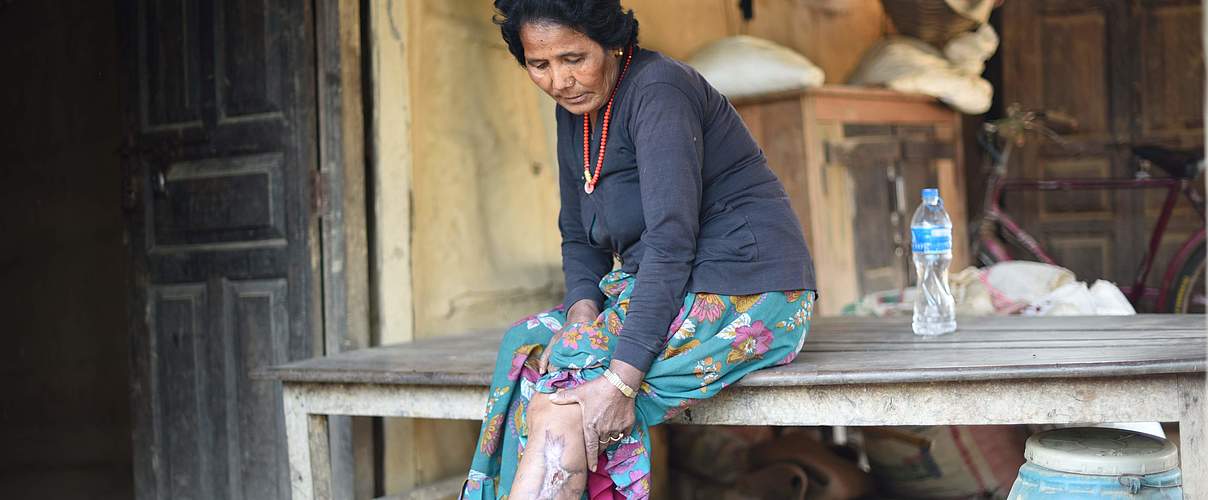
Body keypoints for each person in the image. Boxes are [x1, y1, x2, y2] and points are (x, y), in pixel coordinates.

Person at [462, 1, 817, 498]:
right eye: (539, 65)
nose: (559, 81)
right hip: (668, 281)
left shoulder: (659, 91)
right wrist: (582, 310)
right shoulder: (577, 111)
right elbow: (577, 234)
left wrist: (621, 384)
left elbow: (672, 244)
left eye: (573, 58)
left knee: (572, 383)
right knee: (532, 345)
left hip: (745, 286)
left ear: (612, 43)